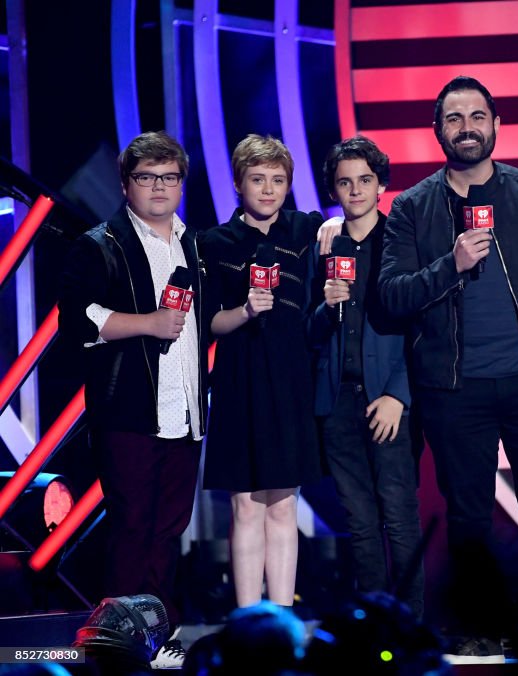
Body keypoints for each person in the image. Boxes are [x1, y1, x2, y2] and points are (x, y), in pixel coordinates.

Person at [378, 76, 518, 664]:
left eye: (477, 116)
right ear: (438, 130)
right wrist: (451, 263)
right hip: (454, 388)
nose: (467, 127)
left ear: (496, 125)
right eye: (454, 118)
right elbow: (391, 295)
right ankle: (475, 630)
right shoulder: (413, 207)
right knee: (467, 513)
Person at [58, 131, 208, 669]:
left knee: (168, 533)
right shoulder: (102, 243)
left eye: (169, 177)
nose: (159, 187)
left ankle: (159, 639)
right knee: (131, 528)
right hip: (129, 409)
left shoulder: (193, 242)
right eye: (147, 177)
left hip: (185, 412)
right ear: (127, 185)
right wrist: (147, 323)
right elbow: (75, 321)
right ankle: (116, 646)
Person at [200, 135, 325, 611]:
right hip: (238, 383)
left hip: (291, 382)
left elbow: (336, 229)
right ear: (238, 183)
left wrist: (332, 230)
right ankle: (249, 618)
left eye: (278, 180)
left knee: (284, 504)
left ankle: (283, 620)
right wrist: (247, 311)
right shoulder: (214, 243)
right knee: (245, 505)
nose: (268, 190)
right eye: (258, 179)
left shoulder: (303, 230)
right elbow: (211, 323)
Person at [307, 136, 424, 617]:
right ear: (333, 189)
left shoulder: (401, 240)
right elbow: (310, 331)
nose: (354, 190)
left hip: (388, 401)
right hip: (338, 400)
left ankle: (412, 623)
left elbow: (423, 326)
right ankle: (375, 625)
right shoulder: (326, 244)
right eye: (344, 182)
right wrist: (325, 305)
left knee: (398, 516)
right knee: (358, 521)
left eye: (364, 180)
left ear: (381, 185)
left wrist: (399, 394)